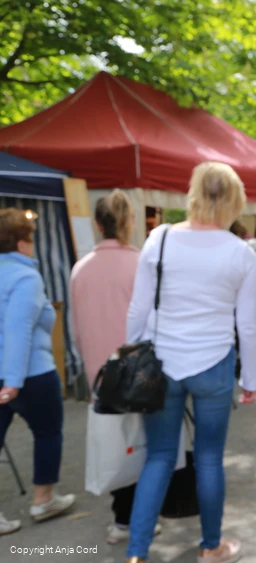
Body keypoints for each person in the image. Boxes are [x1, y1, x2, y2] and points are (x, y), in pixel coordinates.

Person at [124, 162, 256, 563]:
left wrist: (129, 355)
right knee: (209, 458)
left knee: (161, 456)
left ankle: (137, 553)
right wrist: (250, 378)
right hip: (214, 363)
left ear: (193, 193)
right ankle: (210, 547)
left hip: (161, 363)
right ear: (235, 200)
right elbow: (248, 324)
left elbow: (138, 307)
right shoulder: (240, 252)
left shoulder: (159, 239)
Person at [70, 190, 163, 544]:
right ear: (131, 221)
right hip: (140, 370)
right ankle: (135, 519)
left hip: (100, 373)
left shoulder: (81, 269)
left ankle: (122, 518)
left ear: (96, 224)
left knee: (117, 446)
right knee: (143, 445)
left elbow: (77, 328)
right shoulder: (141, 264)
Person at [0, 208, 76, 535]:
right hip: (30, 374)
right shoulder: (26, 277)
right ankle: (43, 499)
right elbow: (20, 330)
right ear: (21, 242)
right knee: (47, 433)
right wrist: (13, 382)